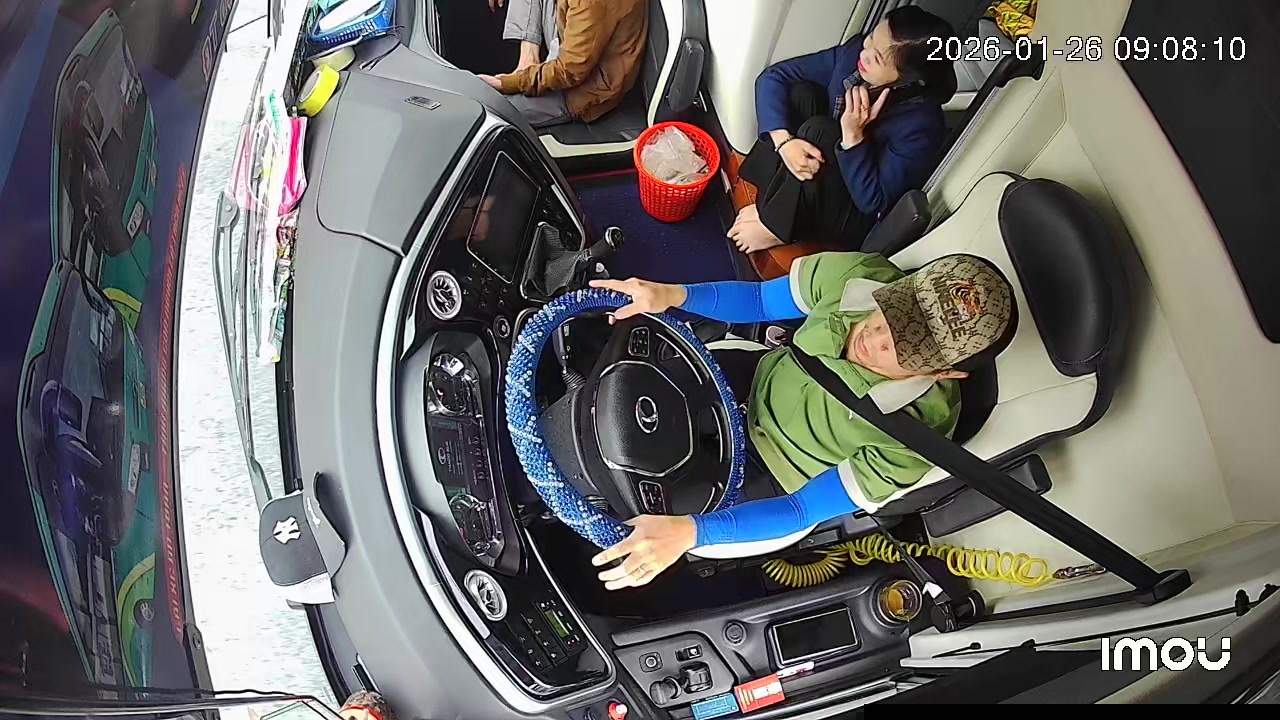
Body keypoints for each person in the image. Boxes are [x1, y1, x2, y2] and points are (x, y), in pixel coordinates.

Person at [587, 251, 1016, 590]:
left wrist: (689, 533)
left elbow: (801, 509)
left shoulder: (916, 438)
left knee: (641, 522)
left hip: (775, 478)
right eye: (894, 309)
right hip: (755, 378)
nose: (877, 337)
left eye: (907, 347)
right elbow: (760, 300)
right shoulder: (860, 275)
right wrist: (672, 294)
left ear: (947, 373)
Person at [730, 7, 957, 254]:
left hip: (852, 208)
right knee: (802, 94)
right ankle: (770, 200)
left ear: (908, 78)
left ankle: (774, 227)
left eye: (877, 59)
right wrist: (784, 142)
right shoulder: (853, 53)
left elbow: (874, 202)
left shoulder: (922, 127)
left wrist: (853, 137)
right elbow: (774, 76)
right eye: (872, 38)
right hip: (824, 171)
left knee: (821, 131)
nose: (865, 53)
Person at [477, 0, 648, 128]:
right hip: (574, 33)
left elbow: (570, 71)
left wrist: (508, 83)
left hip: (581, 88)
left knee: (486, 111)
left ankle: (529, 77)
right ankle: (528, 61)